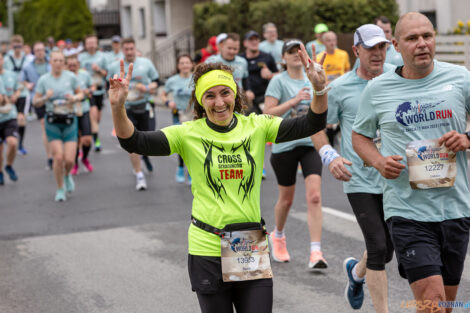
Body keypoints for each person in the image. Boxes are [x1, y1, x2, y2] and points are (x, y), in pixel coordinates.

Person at [110, 41, 328, 313]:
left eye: (225, 93)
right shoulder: (188, 133)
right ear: (201, 101)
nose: (219, 102)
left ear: (235, 94)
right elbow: (135, 141)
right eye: (210, 96)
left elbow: (312, 123)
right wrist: (119, 108)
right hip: (206, 245)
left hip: (248, 243)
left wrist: (319, 89)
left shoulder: (257, 126)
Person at [352, 12, 470, 313]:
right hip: (407, 211)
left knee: (444, 306)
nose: (421, 44)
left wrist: (467, 138)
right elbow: (360, 137)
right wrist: (378, 162)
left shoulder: (460, 77)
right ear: (396, 45)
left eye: (427, 36)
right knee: (432, 301)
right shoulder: (378, 89)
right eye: (412, 38)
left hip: (455, 208)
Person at [311, 24, 395, 312]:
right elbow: (315, 127)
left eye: (382, 47)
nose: (377, 53)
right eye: (370, 47)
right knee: (378, 246)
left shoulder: (398, 77)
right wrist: (330, 156)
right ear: (356, 50)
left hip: (395, 178)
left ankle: (356, 273)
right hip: (359, 179)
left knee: (387, 249)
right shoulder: (341, 88)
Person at [264, 39, 327, 269]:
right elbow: (267, 114)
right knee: (287, 200)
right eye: (289, 52)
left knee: (315, 196)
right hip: (284, 145)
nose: (294, 55)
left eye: (297, 51)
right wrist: (293, 101)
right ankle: (278, 235)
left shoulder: (313, 77)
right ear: (283, 58)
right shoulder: (278, 82)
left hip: (311, 144)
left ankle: (316, 251)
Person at [107, 37, 159, 191]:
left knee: (149, 138)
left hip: (145, 106)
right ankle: (139, 174)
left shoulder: (146, 63)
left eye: (132, 48)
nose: (129, 52)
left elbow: (157, 82)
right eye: (126, 49)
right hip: (127, 108)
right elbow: (108, 87)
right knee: (132, 143)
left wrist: (148, 88)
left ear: (135, 49)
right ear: (123, 49)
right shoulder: (114, 66)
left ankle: (146, 157)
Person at [33, 51, 83, 201]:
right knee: (58, 157)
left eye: (61, 60)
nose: (58, 63)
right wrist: (45, 97)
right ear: (50, 62)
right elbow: (35, 102)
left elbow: (81, 94)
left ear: (64, 63)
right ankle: (60, 188)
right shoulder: (44, 80)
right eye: (55, 60)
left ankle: (67, 175)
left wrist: (74, 98)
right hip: (52, 122)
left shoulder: (71, 77)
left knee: (69, 160)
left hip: (69, 120)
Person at [161, 54, 193, 184]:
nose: (185, 65)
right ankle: (180, 167)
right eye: (182, 63)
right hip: (178, 113)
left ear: (191, 65)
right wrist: (168, 102)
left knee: (192, 143)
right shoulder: (173, 80)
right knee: (181, 142)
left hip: (193, 115)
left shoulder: (197, 79)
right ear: (178, 66)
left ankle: (191, 172)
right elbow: (163, 94)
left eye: (187, 63)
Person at [21, 41, 52, 169]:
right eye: (37, 50)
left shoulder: (52, 63)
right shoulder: (28, 66)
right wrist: (27, 85)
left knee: (54, 127)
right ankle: (50, 157)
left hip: (53, 98)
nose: (40, 52)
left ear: (45, 51)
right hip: (38, 99)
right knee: (44, 126)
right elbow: (21, 80)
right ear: (34, 52)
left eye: (42, 49)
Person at [78, 34, 108, 152]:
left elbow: (107, 73)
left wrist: (98, 70)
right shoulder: (81, 57)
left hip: (99, 89)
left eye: (93, 43)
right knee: (92, 114)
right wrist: (82, 71)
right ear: (85, 44)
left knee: (97, 117)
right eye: (89, 43)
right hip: (86, 91)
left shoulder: (102, 57)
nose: (91, 45)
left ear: (96, 44)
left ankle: (92, 133)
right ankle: (96, 140)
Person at [66, 55, 95, 175]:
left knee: (87, 139)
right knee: (75, 141)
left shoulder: (84, 74)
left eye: (74, 64)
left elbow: (92, 86)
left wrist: (89, 91)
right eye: (70, 65)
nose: (72, 67)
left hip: (83, 109)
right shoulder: (65, 77)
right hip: (70, 111)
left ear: (78, 64)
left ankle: (84, 158)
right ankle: (75, 163)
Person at [241, 30, 278, 115]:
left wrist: (270, 75)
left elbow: (279, 74)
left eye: (256, 39)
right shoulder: (240, 59)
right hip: (246, 99)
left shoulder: (267, 57)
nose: (254, 42)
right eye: (251, 39)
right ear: (245, 43)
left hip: (264, 97)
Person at [4, 35, 29, 155]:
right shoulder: (7, 59)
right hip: (10, 93)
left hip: (23, 92)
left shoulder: (27, 59)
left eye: (19, 46)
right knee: (8, 116)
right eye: (15, 46)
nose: (17, 48)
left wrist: (29, 84)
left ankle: (20, 144)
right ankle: (8, 136)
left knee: (21, 118)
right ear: (12, 46)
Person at [0, 59, 18, 185]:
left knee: (12, 143)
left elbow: (17, 90)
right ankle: (0, 172)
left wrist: (14, 96)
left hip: (9, 116)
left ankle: (9, 165)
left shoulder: (11, 75)